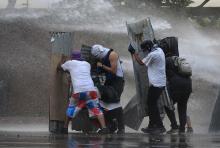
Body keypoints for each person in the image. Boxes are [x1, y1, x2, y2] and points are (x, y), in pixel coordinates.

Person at [57, 50, 109, 134]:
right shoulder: (87, 64)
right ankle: (104, 128)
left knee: (71, 108)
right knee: (96, 109)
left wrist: (62, 60)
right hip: (91, 91)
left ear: (72, 57)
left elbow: (60, 67)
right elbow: (79, 72)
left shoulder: (70, 63)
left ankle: (64, 128)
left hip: (79, 91)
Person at [128, 40, 166, 134]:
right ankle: (152, 125)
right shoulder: (159, 50)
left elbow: (141, 63)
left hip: (156, 84)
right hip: (160, 83)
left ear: (149, 48)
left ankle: (160, 127)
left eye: (145, 50)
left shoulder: (153, 55)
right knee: (151, 104)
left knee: (152, 105)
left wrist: (133, 53)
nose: (145, 52)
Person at [91, 44, 125, 134]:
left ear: (100, 52)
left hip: (117, 81)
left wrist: (102, 66)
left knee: (116, 104)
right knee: (105, 103)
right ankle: (111, 126)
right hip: (109, 81)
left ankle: (121, 127)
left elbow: (113, 71)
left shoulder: (112, 54)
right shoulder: (103, 56)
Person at [164, 56, 192, 134]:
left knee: (167, 105)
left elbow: (164, 74)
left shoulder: (167, 61)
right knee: (182, 108)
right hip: (188, 84)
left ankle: (174, 126)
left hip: (177, 85)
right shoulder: (177, 60)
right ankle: (182, 130)